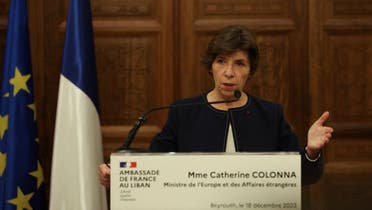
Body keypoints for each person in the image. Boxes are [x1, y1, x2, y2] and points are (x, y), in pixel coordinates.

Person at [98, 25, 333, 188]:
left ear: (250, 71)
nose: (229, 72)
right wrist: (119, 176)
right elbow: (154, 169)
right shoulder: (184, 112)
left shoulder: (270, 114)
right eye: (221, 61)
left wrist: (311, 151)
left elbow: (300, 176)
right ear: (211, 67)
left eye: (239, 64)